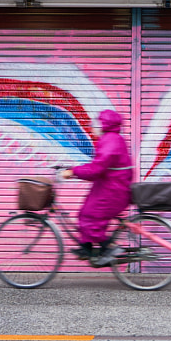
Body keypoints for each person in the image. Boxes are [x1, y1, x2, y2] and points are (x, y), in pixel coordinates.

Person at [61, 109, 133, 267]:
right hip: (109, 187)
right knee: (84, 213)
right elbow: (100, 166)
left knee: (90, 217)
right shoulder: (110, 139)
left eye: (96, 123)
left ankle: (110, 249)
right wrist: (73, 169)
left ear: (104, 124)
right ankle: (86, 247)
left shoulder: (111, 141)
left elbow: (96, 169)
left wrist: (73, 171)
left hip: (114, 191)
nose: (92, 126)